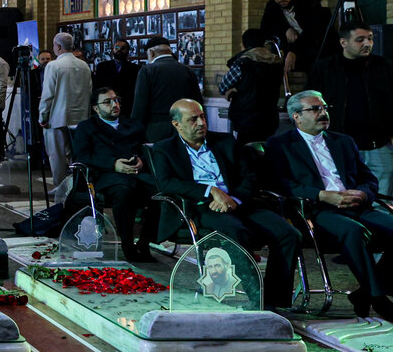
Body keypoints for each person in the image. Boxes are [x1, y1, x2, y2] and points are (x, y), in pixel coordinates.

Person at [153, 99, 301, 309]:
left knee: (289, 234)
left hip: (239, 202)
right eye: (193, 119)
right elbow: (167, 183)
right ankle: (258, 298)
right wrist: (211, 191)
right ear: (176, 124)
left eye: (202, 117)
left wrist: (235, 199)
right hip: (202, 206)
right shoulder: (165, 149)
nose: (201, 123)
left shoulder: (225, 141)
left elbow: (249, 176)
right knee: (235, 231)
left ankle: (275, 298)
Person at [266, 91, 393, 318]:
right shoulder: (280, 144)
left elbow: (368, 178)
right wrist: (322, 195)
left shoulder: (343, 141)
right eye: (315, 109)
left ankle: (365, 292)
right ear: (296, 116)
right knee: (354, 231)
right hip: (316, 209)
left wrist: (363, 194)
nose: (323, 113)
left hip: (356, 204)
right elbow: (282, 184)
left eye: (324, 108)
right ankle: (378, 298)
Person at [70, 88, 159, 262]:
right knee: (124, 192)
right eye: (108, 102)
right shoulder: (87, 127)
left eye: (116, 100)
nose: (114, 104)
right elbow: (83, 156)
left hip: (135, 173)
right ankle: (127, 244)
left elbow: (145, 149)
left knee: (161, 192)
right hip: (105, 176)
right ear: (96, 108)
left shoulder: (133, 125)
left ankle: (145, 241)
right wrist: (113, 164)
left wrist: (141, 161)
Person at [306, 21, 393, 197]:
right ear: (343, 42)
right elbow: (310, 103)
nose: (367, 43)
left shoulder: (383, 66)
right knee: (344, 192)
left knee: (383, 194)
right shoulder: (324, 68)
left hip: (377, 143)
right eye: (360, 39)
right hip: (338, 143)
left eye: (370, 38)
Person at [38, 31, 93, 185]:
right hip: (81, 118)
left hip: (57, 118)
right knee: (77, 156)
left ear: (58, 46)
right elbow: (89, 92)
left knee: (57, 157)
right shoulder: (84, 66)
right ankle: (77, 187)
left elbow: (48, 94)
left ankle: (60, 190)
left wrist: (43, 116)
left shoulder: (53, 66)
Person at [260, 0, 338, 77]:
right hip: (290, 47)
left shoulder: (308, 4)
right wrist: (286, 29)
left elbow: (313, 32)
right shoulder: (273, 5)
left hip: (317, 48)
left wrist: (293, 51)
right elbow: (265, 28)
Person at [220, 29, 286, 149]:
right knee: (266, 151)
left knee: (245, 152)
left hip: (246, 118)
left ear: (244, 44)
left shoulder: (242, 63)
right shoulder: (277, 62)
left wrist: (233, 90)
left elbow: (223, 86)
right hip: (269, 117)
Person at [131, 39, 202, 143]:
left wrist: (134, 131)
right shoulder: (188, 70)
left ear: (151, 53)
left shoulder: (147, 71)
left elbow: (140, 104)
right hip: (184, 128)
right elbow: (197, 102)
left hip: (156, 130)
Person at [92, 39, 140, 114]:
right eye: (116, 47)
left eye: (123, 48)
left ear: (128, 51)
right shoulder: (102, 67)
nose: (119, 50)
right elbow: (97, 88)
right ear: (113, 49)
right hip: (107, 105)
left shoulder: (135, 69)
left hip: (127, 107)